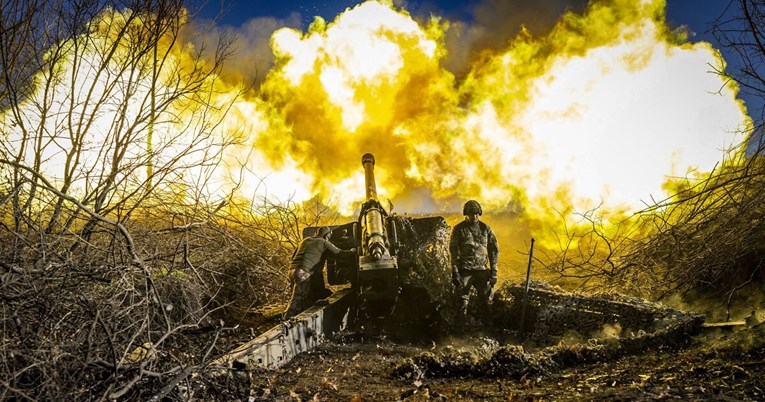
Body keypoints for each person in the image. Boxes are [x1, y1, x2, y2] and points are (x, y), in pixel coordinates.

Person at [283, 226, 356, 319]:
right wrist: (352, 251)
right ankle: (286, 318)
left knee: (307, 299)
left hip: (292, 271)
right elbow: (339, 253)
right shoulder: (324, 242)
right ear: (327, 236)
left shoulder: (305, 240)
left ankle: (297, 317)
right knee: (298, 299)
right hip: (303, 272)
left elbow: (294, 256)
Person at [449, 200, 500, 319]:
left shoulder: (485, 229)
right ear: (466, 214)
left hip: (482, 270)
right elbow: (453, 252)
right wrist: (455, 272)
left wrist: (494, 271)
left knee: (487, 302)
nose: (474, 216)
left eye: (477, 213)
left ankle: (487, 330)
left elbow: (494, 250)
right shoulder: (459, 229)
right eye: (471, 213)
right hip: (465, 270)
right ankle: (460, 332)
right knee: (462, 302)